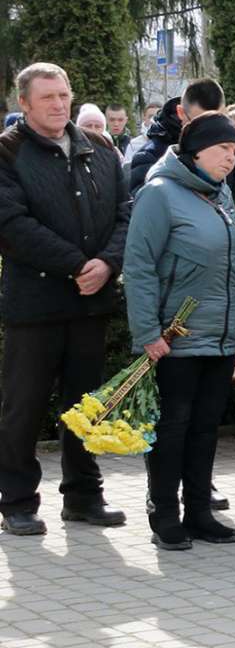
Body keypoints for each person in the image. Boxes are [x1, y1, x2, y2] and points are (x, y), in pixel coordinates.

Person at [0, 63, 131, 536]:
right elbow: (11, 225)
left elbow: (126, 212)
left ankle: (83, 495)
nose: (59, 104)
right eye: (47, 97)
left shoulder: (99, 147)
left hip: (90, 304)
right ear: (24, 103)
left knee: (86, 406)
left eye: (64, 95)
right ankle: (17, 501)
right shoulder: (7, 152)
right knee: (24, 407)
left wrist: (108, 263)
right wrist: (77, 265)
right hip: (35, 306)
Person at [122, 113, 235, 550]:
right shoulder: (160, 193)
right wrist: (147, 332)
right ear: (196, 151)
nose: (231, 158)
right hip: (174, 339)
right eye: (223, 149)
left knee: (205, 428)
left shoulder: (222, 195)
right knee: (172, 428)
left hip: (219, 336)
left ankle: (199, 511)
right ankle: (164, 513)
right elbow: (138, 266)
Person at [129, 79, 235, 200]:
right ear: (181, 112)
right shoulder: (150, 157)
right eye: (200, 123)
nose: (210, 133)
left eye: (218, 121)